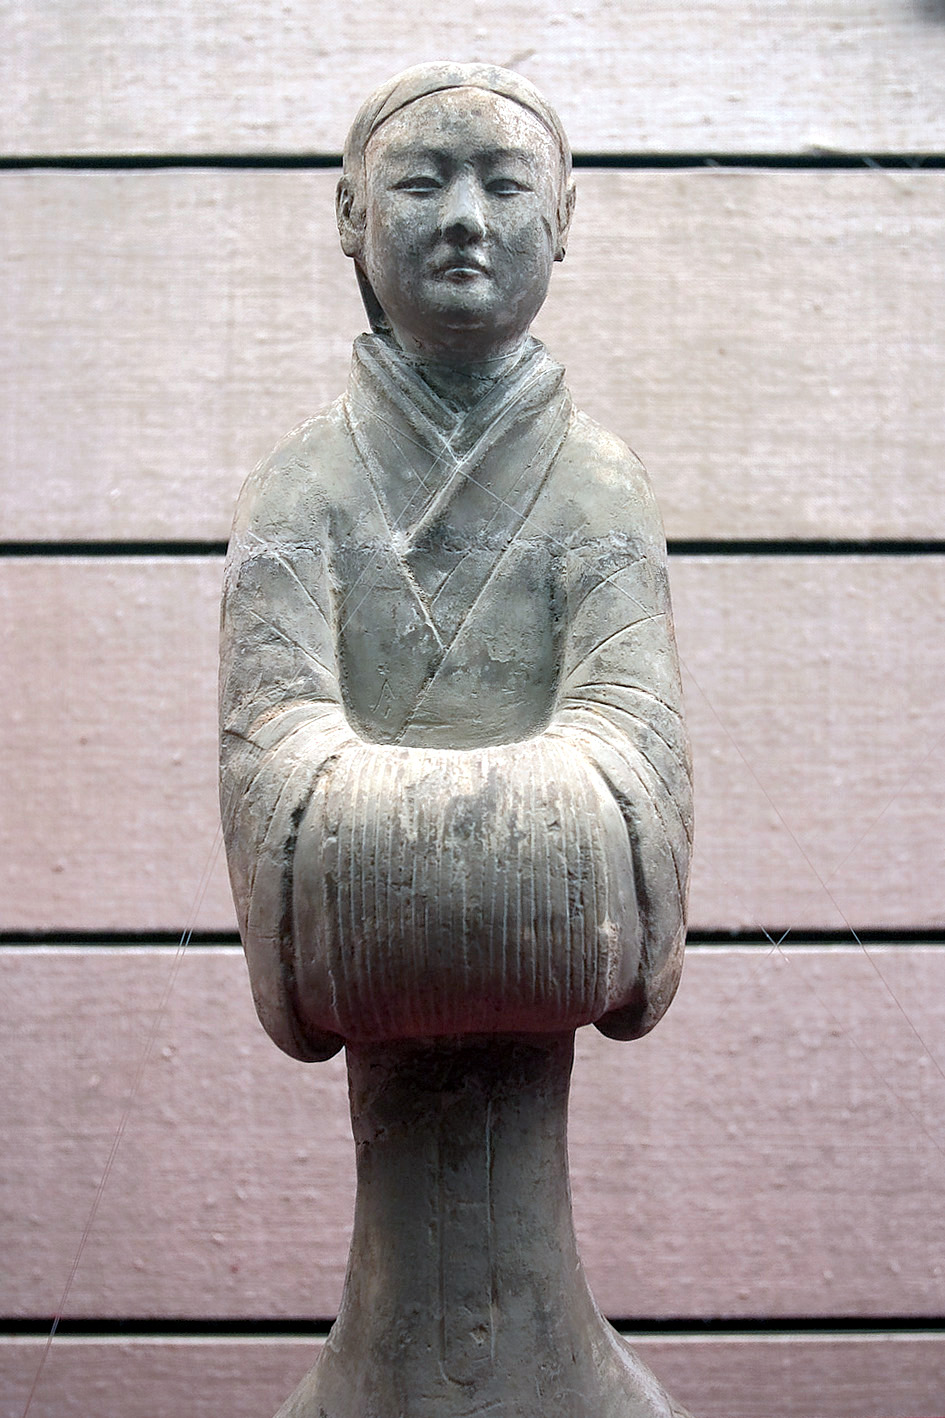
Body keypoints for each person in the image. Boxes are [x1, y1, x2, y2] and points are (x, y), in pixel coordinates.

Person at [219, 61, 692, 1065]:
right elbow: (271, 746)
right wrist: (527, 832)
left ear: (564, 218)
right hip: (392, 970)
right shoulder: (298, 484)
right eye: (420, 183)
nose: (465, 220)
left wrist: (372, 830)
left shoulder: (600, 481)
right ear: (350, 214)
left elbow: (636, 750)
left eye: (507, 184)